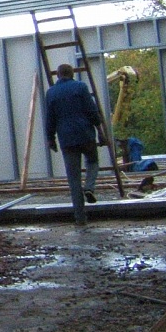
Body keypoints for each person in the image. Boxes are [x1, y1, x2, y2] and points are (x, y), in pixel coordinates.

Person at [45, 62, 105, 225]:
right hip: (85, 134)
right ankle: (89, 187)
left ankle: (80, 218)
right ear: (72, 74)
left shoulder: (51, 93)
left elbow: (50, 119)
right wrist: (100, 132)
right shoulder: (81, 87)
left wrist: (51, 139)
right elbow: (92, 111)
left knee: (73, 179)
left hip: (66, 139)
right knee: (92, 162)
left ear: (58, 75)